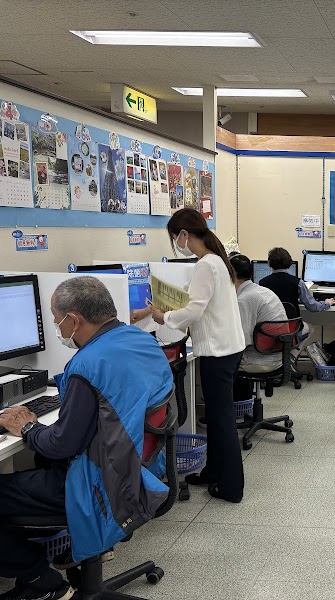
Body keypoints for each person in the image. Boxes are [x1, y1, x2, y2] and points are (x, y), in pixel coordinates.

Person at [0, 277, 173, 600]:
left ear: (73, 319)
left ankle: (42, 580)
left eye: (55, 319)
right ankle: (81, 545)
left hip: (104, 486)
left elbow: (61, 444)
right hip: (140, 469)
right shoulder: (138, 339)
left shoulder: (87, 365)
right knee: (40, 459)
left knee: (28, 467)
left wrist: (27, 427)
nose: (55, 325)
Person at [131, 208, 246, 503]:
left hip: (218, 353)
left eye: (175, 238)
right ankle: (213, 472)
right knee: (218, 419)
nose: (176, 244)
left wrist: (163, 319)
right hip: (228, 349)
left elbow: (192, 310)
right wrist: (147, 311)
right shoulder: (214, 261)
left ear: (184, 234)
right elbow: (186, 295)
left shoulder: (207, 264)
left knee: (222, 421)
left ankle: (232, 487)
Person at [258, 247, 334, 355]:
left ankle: (281, 356)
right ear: (289, 263)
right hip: (290, 328)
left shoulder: (262, 283)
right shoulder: (298, 283)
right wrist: (326, 303)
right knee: (309, 328)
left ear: (269, 263)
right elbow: (312, 307)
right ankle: (292, 356)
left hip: (269, 329)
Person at [230, 253, 288, 377]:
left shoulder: (244, 299)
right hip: (278, 358)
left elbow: (242, 341)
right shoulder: (263, 291)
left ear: (231, 275)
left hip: (258, 361)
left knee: (213, 361)